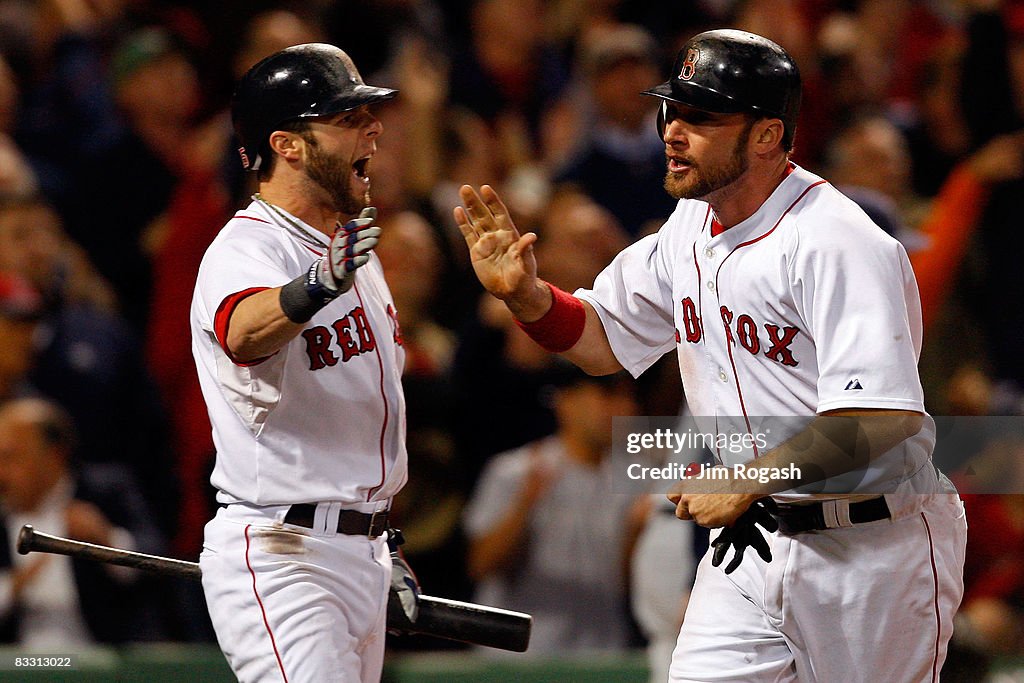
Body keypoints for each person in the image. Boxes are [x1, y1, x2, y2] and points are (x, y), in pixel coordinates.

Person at [455, 29, 967, 682]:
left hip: (873, 546)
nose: (672, 129)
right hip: (755, 539)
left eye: (702, 115)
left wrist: (745, 478)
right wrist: (528, 297)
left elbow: (878, 418)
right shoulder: (690, 226)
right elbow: (602, 339)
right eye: (673, 108)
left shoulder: (837, 242)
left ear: (767, 136)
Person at [190, 44, 413, 682]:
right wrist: (313, 286)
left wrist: (377, 538)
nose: (372, 127)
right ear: (286, 144)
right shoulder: (246, 246)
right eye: (346, 119)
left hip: (356, 549)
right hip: (286, 555)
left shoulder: (350, 255)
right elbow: (242, 331)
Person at [462, 367, 638, 655]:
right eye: (607, 395)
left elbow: (629, 586)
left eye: (627, 396)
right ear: (565, 402)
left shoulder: (637, 480)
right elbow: (481, 565)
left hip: (601, 656)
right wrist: (524, 504)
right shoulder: (516, 471)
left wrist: (636, 532)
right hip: (520, 659)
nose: (623, 408)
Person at [0, 397, 167, 646]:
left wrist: (107, 538)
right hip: (21, 664)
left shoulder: (106, 492)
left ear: (54, 454)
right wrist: (13, 586)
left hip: (103, 659)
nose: (1, 470)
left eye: (10, 456)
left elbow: (157, 560)